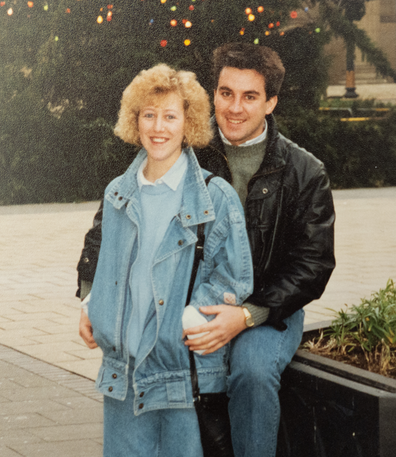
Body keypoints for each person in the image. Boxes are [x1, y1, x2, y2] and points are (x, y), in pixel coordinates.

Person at [78, 43, 336, 457]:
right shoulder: (185, 144)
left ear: (271, 102)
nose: (234, 107)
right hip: (186, 300)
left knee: (251, 372)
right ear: (212, 95)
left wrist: (248, 314)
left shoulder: (304, 171)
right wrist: (93, 297)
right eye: (225, 93)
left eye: (250, 96)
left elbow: (313, 264)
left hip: (266, 309)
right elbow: (108, 226)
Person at [77, 63, 253, 457]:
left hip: (180, 375)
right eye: (149, 115)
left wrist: (191, 319)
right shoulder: (118, 193)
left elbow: (235, 276)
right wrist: (94, 305)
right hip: (123, 374)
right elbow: (103, 261)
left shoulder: (216, 196)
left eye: (170, 116)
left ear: (187, 123)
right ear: (134, 120)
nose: (159, 127)